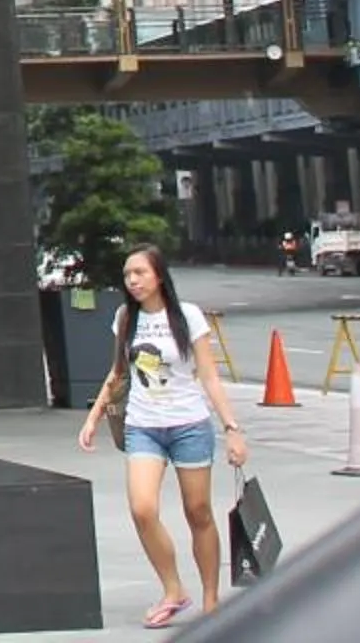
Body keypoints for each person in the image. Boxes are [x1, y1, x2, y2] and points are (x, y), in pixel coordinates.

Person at [78, 244, 250, 629]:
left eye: (139, 272)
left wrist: (232, 429)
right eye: (127, 274)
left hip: (189, 424)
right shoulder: (125, 317)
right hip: (143, 426)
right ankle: (173, 590)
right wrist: (93, 417)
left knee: (198, 512)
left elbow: (209, 376)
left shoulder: (187, 316)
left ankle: (210, 600)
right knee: (142, 508)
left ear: (158, 275)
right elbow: (118, 372)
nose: (132, 280)